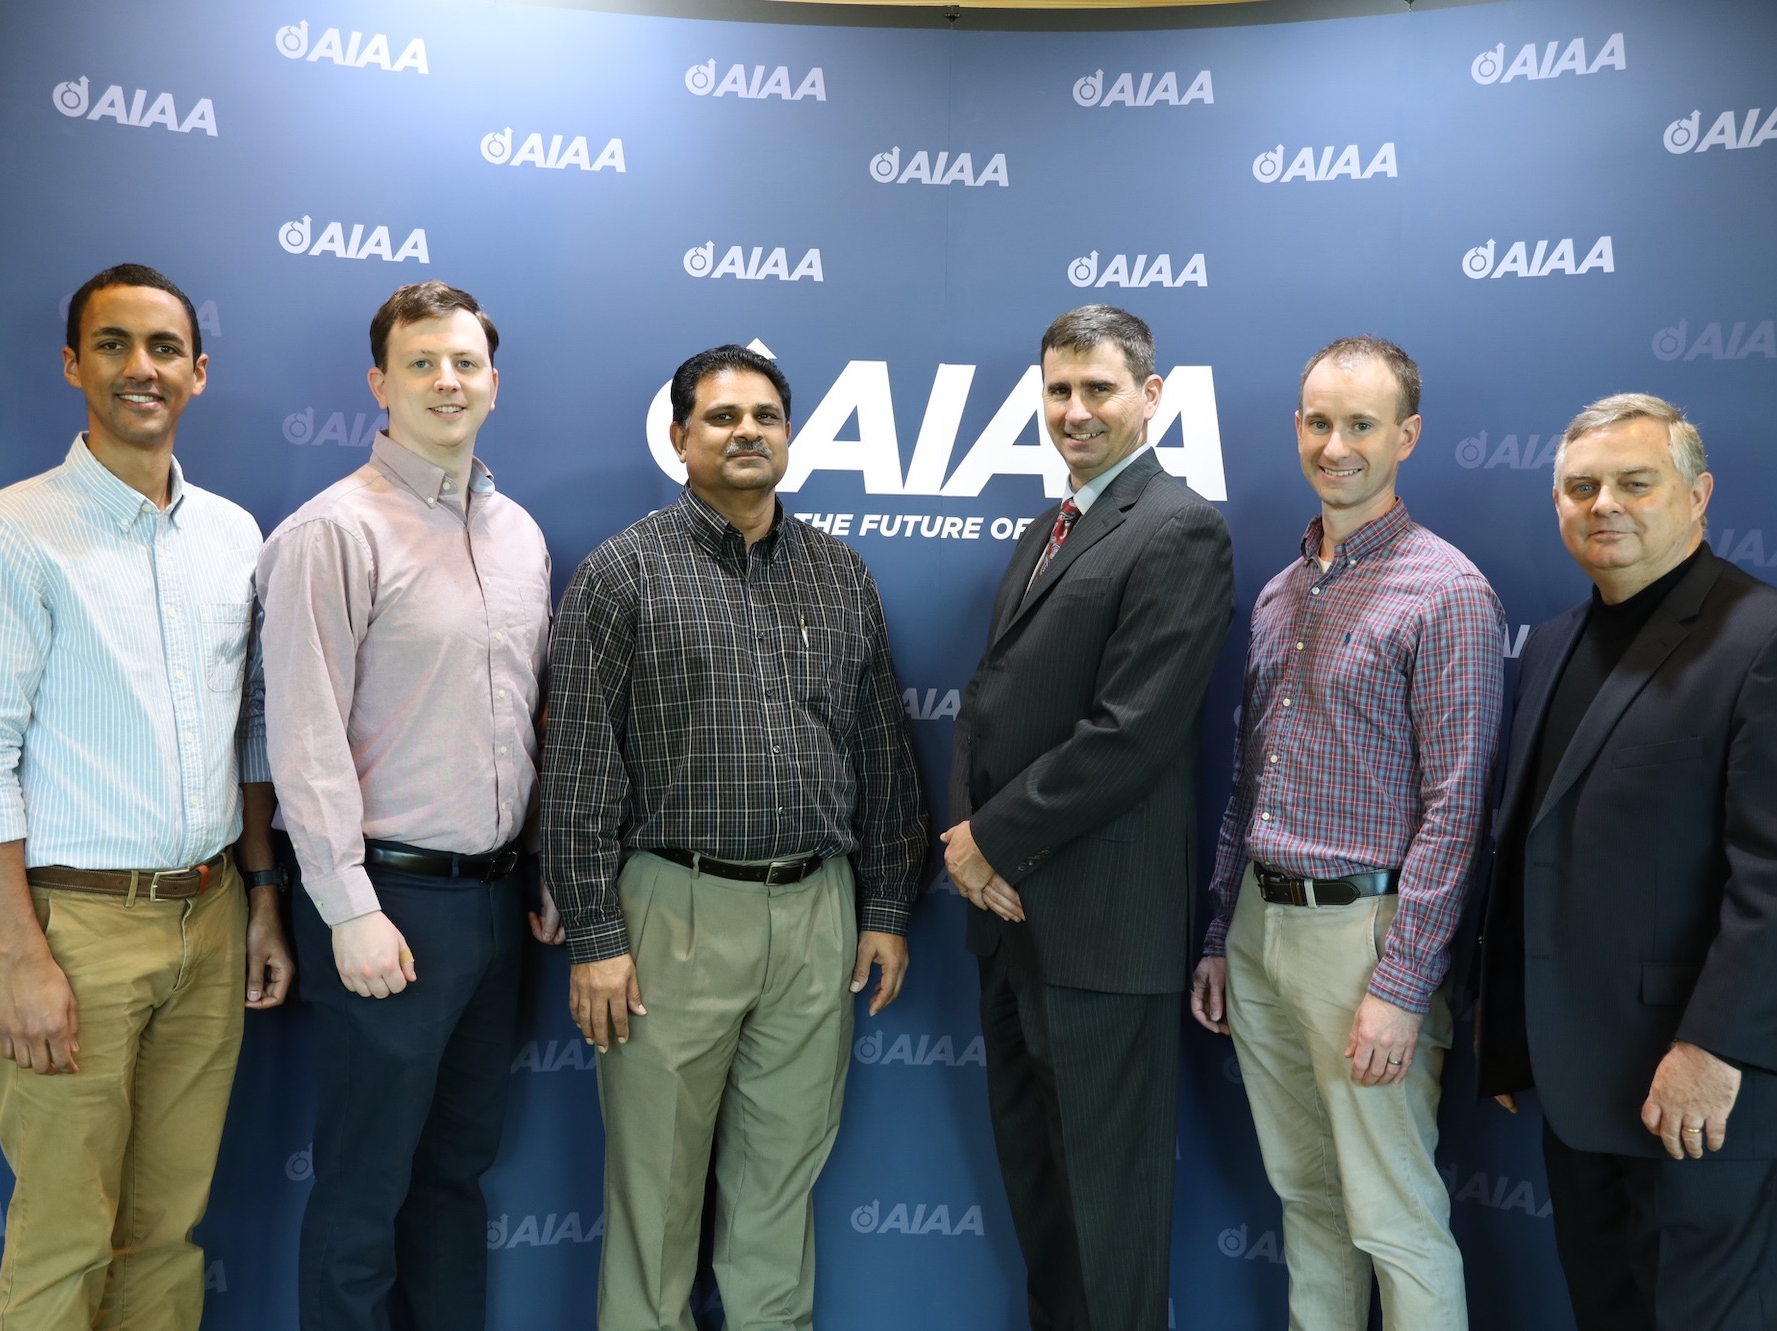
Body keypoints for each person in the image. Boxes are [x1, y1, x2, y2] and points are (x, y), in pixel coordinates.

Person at [0, 262, 291, 1330]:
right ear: (73, 364)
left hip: (210, 915)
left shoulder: (233, 535)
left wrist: (261, 899)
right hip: (68, 929)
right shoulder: (12, 530)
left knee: (165, 1232)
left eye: (164, 348)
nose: (142, 368)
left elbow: (251, 735)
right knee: (64, 1235)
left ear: (199, 371)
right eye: (116, 345)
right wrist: (21, 951)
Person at [542, 343, 925, 1331]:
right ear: (678, 438)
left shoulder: (840, 572)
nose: (746, 430)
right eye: (721, 416)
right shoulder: (622, 573)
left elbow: (883, 752)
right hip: (670, 910)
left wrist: (883, 907)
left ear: (788, 436)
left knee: (777, 1195)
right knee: (654, 1200)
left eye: (764, 415)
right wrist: (593, 933)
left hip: (817, 915)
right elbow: (580, 768)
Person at [1476, 393, 1777, 1330]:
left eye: (1634, 482)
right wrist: (1508, 1032)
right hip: (1583, 1087)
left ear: (1698, 496)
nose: (1604, 502)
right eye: (1581, 486)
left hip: (1705, 1096)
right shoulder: (1555, 641)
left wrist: (1712, 1050)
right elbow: (1531, 845)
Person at [256, 281, 562, 1331]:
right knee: (363, 1192)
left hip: (494, 902)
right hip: (387, 903)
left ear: (493, 382)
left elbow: (527, 719)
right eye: (423, 362)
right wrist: (347, 907)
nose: (447, 380)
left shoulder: (519, 532)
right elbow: (301, 737)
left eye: (466, 362)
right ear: (379, 383)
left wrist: (545, 867)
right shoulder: (331, 530)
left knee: (454, 1180)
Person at [1189, 335, 1501, 1331]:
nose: (1335, 444)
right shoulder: (1282, 590)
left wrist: (1400, 985)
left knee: (1395, 1216)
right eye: (1318, 421)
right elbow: (1250, 778)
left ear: (1404, 435)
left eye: (1360, 423)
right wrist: (1216, 937)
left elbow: (1456, 812)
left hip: (1362, 944)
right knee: (1308, 1203)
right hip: (1259, 931)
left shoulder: (1446, 591)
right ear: (1295, 428)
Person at [945, 305, 1233, 1330]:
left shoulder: (1177, 526)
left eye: (1097, 389)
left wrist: (987, 836)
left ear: (1149, 398)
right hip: (1009, 923)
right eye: (1058, 390)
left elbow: (1133, 731)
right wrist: (970, 850)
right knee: (1047, 1215)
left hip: (1103, 939)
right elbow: (987, 706)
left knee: (1110, 1229)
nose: (1073, 410)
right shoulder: (1048, 526)